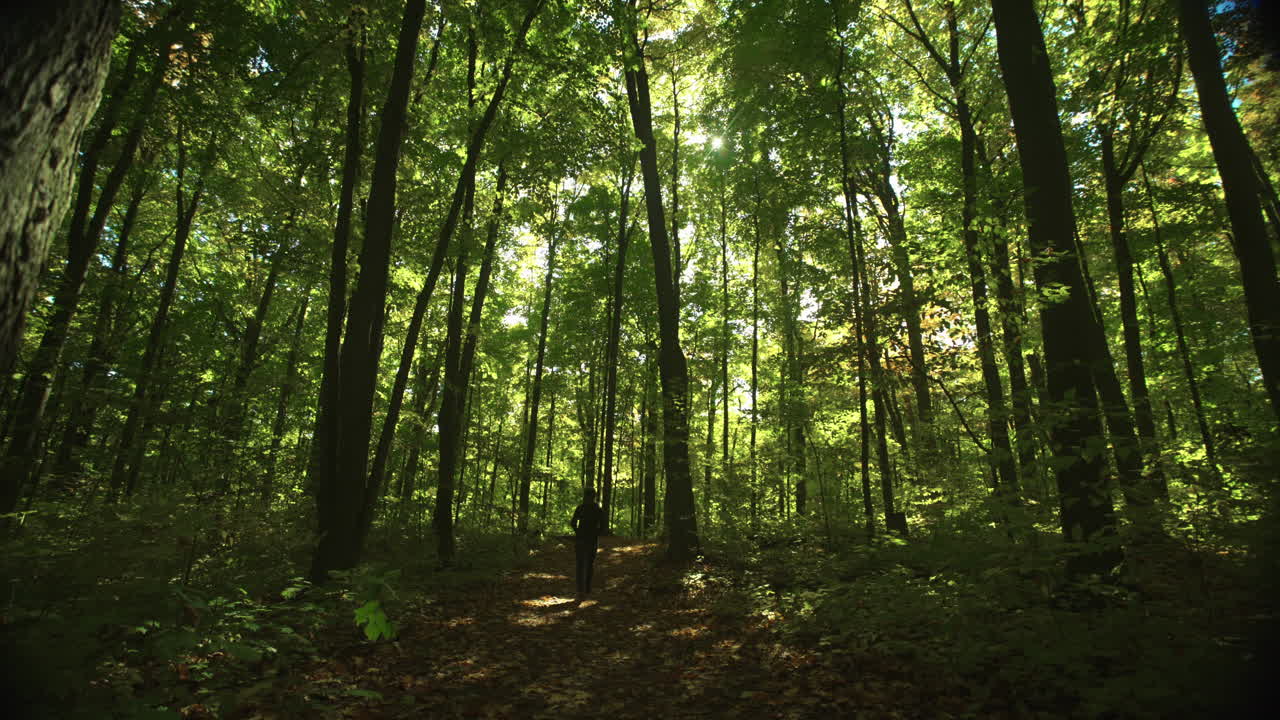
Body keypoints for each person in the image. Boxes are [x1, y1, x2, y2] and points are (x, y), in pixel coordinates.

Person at [570, 487, 605, 595]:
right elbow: (603, 526)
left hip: (581, 539)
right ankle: (587, 590)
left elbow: (573, 523)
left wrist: (578, 532)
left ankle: (580, 590)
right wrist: (596, 533)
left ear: (585, 496)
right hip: (592, 540)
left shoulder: (581, 507)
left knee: (580, 564)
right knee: (589, 564)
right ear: (594, 496)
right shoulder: (597, 509)